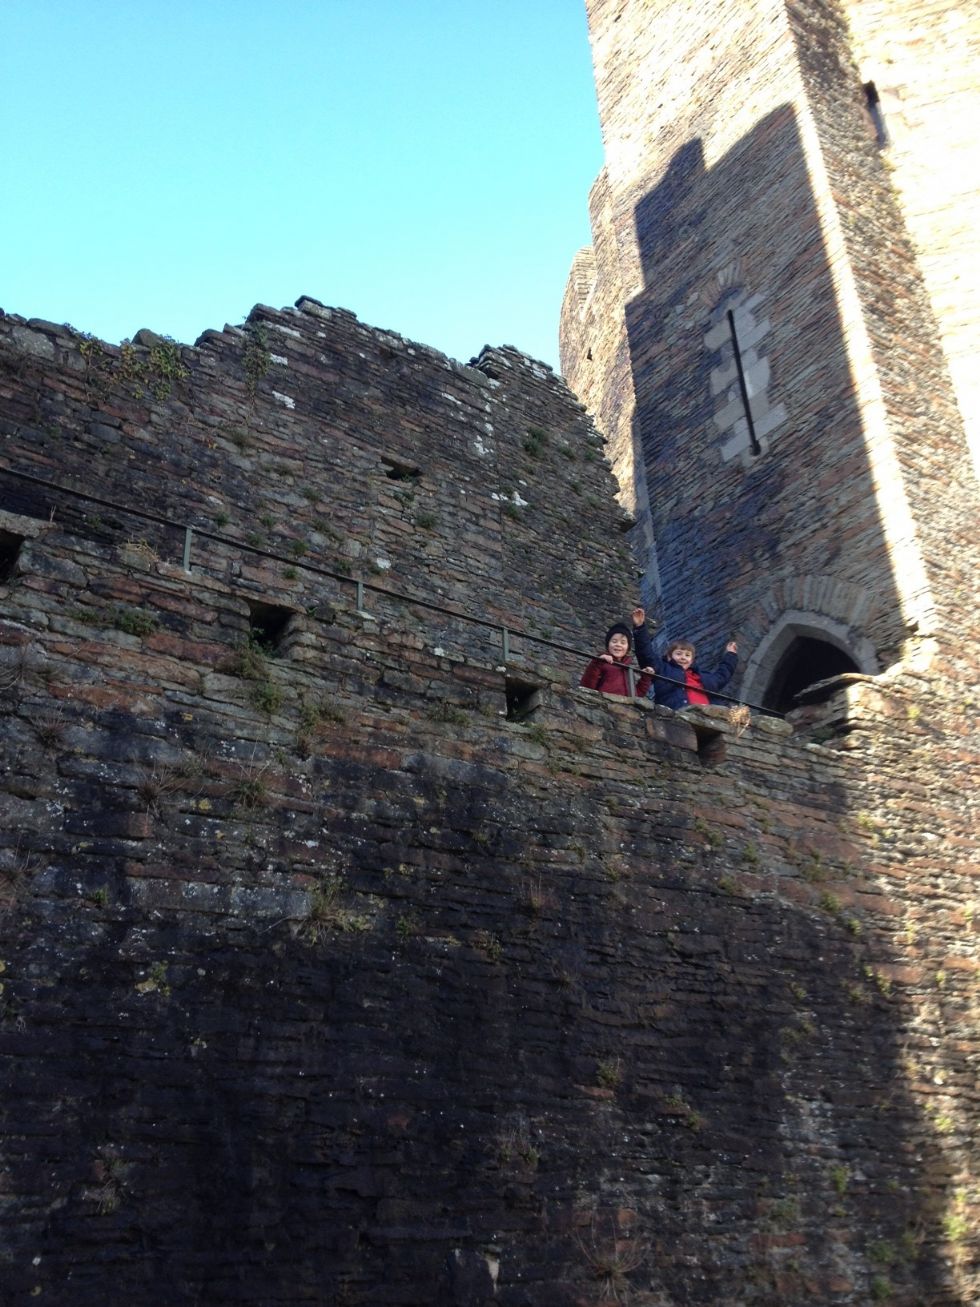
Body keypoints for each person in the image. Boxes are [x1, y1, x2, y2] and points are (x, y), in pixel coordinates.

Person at [631, 607, 738, 709]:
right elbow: (646, 654)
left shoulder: (705, 676)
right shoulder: (663, 669)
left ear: (692, 660)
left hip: (708, 716)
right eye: (679, 654)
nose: (683, 657)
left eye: (687, 655)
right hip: (678, 714)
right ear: (669, 657)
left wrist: (731, 655)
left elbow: (723, 675)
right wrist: (640, 628)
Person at [580, 622, 654, 699]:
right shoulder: (600, 662)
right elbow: (587, 685)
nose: (618, 644)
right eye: (614, 641)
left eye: (623, 642)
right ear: (608, 645)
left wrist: (646, 677)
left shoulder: (628, 670)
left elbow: (637, 695)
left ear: (628, 648)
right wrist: (597, 662)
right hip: (604, 704)